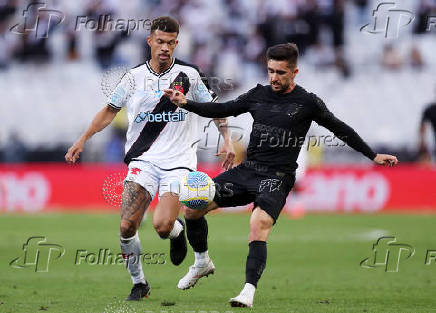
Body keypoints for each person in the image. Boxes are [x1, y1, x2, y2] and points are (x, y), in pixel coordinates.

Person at [164, 43, 398, 308]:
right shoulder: (257, 94)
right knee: (193, 208)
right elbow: (223, 109)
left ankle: (247, 291)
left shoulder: (308, 102)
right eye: (270, 71)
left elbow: (340, 129)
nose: (274, 77)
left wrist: (372, 155)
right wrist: (185, 103)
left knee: (258, 223)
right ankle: (201, 262)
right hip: (247, 170)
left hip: (277, 177)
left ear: (294, 72)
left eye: (280, 72)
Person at [65, 16, 234, 301]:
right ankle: (139, 283)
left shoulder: (189, 76)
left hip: (179, 162)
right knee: (126, 226)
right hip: (142, 161)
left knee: (161, 226)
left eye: (170, 42)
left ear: (177, 43)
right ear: (150, 42)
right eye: (160, 42)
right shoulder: (133, 78)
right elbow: (109, 110)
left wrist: (227, 139)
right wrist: (83, 139)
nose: (165, 47)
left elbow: (214, 108)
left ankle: (176, 231)